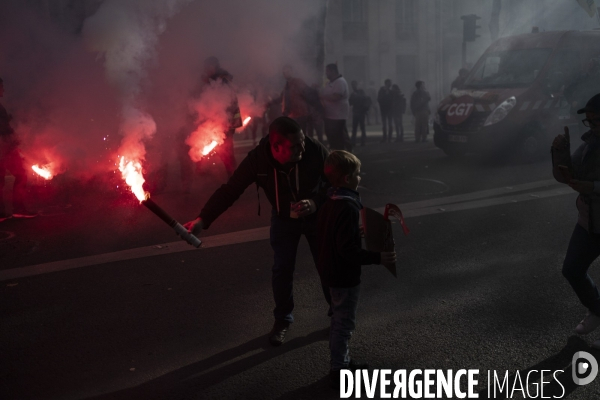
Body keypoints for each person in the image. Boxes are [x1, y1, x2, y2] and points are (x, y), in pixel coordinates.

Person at [184, 116, 331, 346]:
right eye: (294, 146)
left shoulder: (315, 150)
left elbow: (336, 182)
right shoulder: (258, 160)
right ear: (276, 147)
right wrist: (203, 219)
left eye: (302, 142)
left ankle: (338, 316)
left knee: (327, 265)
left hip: (315, 217)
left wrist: (315, 202)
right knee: (282, 270)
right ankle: (282, 321)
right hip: (284, 220)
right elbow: (231, 190)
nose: (302, 148)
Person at [316, 150, 396, 388]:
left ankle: (343, 361)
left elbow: (331, 235)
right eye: (357, 174)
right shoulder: (349, 208)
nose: (360, 177)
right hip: (344, 276)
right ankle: (339, 368)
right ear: (347, 178)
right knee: (344, 322)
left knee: (339, 319)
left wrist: (354, 233)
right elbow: (347, 251)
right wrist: (377, 257)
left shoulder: (330, 201)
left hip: (330, 271)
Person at [552, 93, 600, 346]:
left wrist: (591, 186)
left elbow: (588, 184)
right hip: (589, 220)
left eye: (596, 121)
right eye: (589, 121)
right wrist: (560, 153)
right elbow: (567, 175)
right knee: (572, 269)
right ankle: (597, 309)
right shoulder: (590, 142)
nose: (591, 126)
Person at [194, 56, 242, 179]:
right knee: (221, 151)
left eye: (208, 67)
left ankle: (233, 177)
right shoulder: (214, 80)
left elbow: (228, 103)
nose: (206, 70)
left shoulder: (222, 81)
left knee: (226, 151)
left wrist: (225, 122)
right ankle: (230, 175)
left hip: (225, 122)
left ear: (214, 67)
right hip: (218, 121)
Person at [0, 77, 37, 220]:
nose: (3, 89)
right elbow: (4, 129)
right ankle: (18, 207)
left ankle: (7, 210)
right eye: (1, 86)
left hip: (5, 148)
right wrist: (14, 139)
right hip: (5, 148)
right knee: (21, 174)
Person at [320, 64, 351, 151]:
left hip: (338, 116)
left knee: (339, 137)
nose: (326, 74)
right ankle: (335, 151)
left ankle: (343, 153)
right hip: (330, 115)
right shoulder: (331, 82)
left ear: (333, 71)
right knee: (331, 135)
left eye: (327, 71)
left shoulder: (340, 82)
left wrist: (322, 97)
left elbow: (336, 97)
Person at [281, 65, 311, 134]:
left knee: (302, 135)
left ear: (292, 72)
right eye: (284, 72)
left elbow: (307, 94)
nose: (286, 73)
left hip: (301, 114)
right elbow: (284, 98)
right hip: (292, 114)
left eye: (287, 71)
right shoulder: (286, 85)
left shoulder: (298, 82)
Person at [348, 81, 370, 147]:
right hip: (356, 112)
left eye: (354, 85)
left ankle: (362, 141)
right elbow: (350, 102)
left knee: (361, 127)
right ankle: (354, 141)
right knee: (355, 128)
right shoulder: (354, 93)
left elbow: (364, 99)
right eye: (352, 85)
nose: (353, 87)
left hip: (360, 112)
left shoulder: (360, 92)